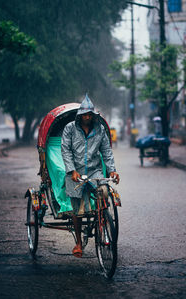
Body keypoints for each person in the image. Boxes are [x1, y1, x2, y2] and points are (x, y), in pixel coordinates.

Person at [61, 94, 120, 258]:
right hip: (76, 172)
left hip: (95, 170)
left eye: (89, 114)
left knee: (104, 192)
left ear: (93, 115)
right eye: (84, 114)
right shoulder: (70, 128)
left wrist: (112, 169)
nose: (87, 117)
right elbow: (65, 151)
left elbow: (106, 151)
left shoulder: (100, 129)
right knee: (77, 210)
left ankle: (102, 221)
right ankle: (79, 243)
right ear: (79, 115)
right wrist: (72, 170)